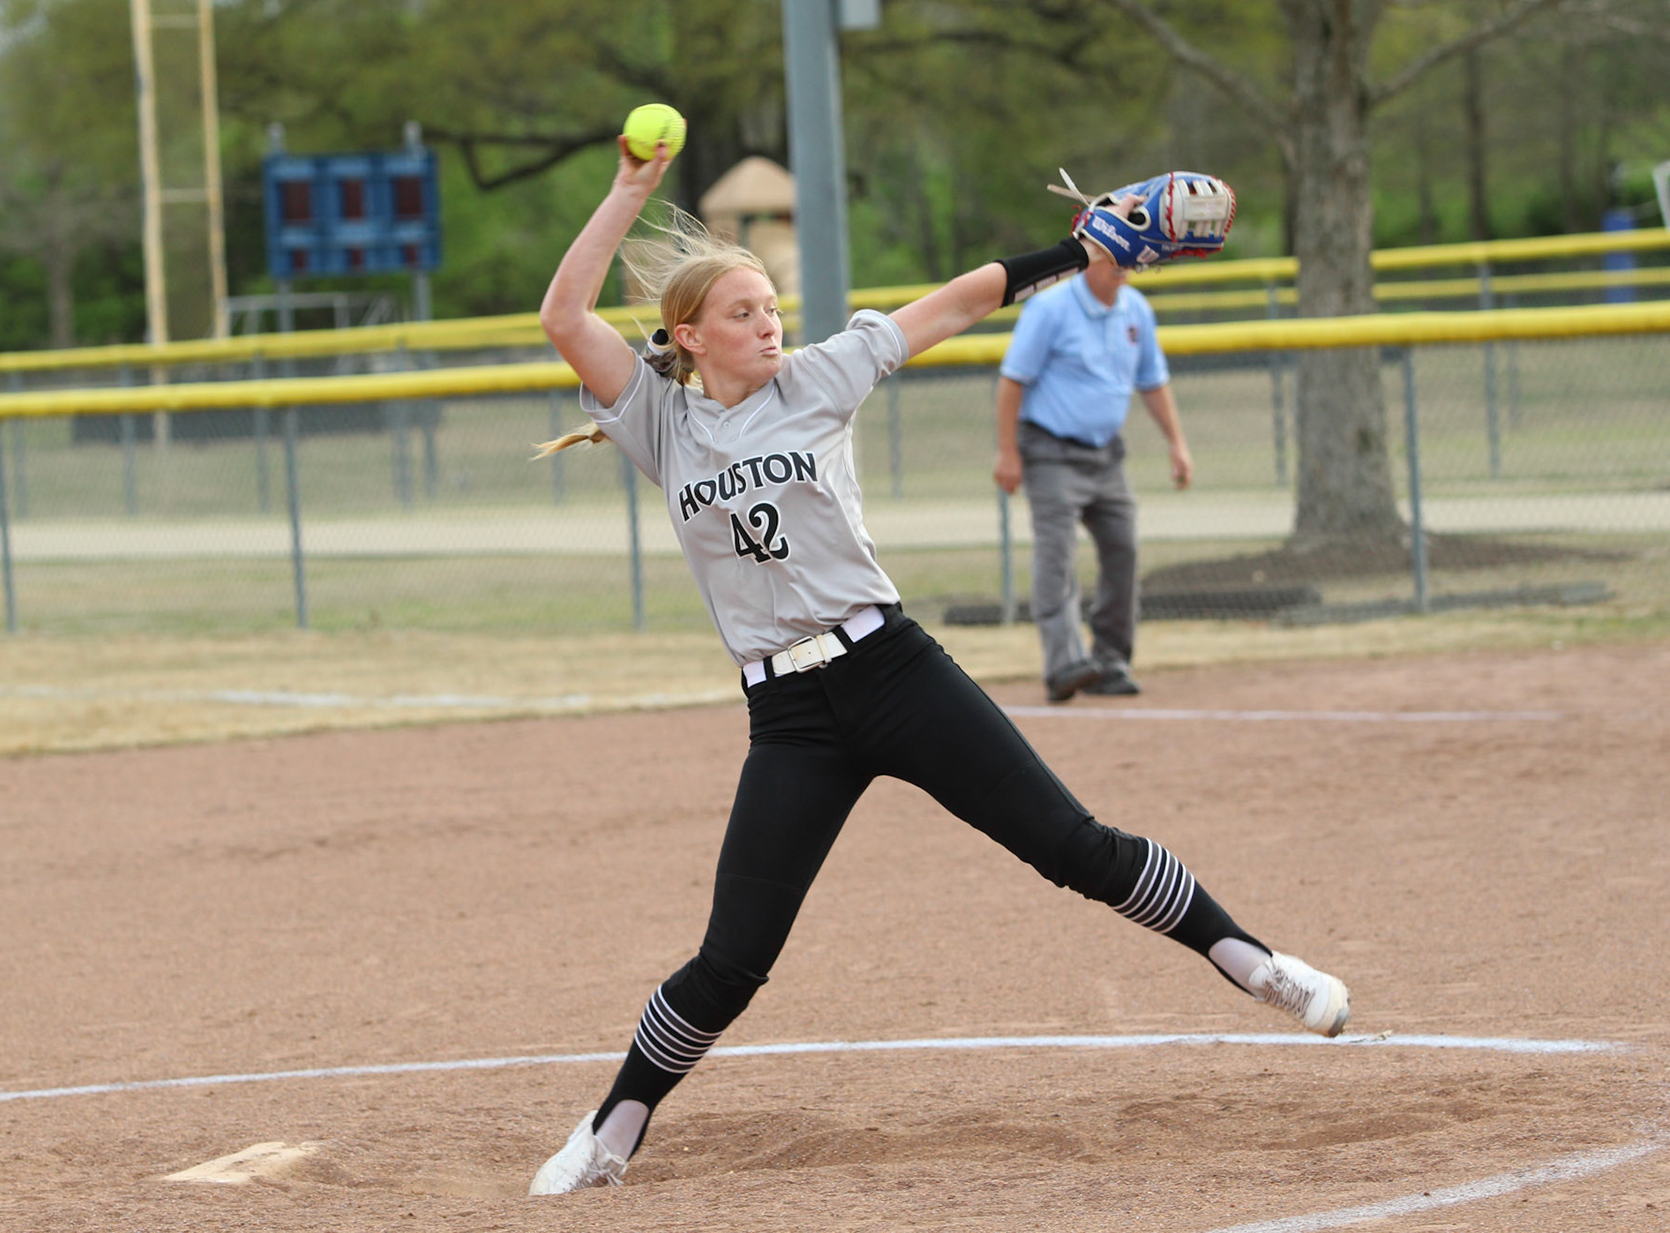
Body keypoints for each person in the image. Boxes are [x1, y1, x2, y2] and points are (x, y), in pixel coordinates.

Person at [525, 135, 1349, 1196]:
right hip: (789, 718)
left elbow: (957, 303)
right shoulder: (661, 422)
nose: (769, 322)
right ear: (688, 336)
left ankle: (1261, 965)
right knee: (734, 956)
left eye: (772, 304)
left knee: (1074, 847)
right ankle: (608, 1134)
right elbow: (564, 316)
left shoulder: (817, 378)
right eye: (742, 312)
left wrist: (1078, 250)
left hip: (893, 670)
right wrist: (629, 189)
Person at [992, 257, 1191, 703]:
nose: (1122, 263)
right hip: (1050, 450)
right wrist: (1007, 452)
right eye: (1110, 253)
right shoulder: (1050, 308)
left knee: (1124, 548)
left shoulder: (1136, 309)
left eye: (1128, 255)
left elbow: (1152, 381)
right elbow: (1012, 380)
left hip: (1107, 454)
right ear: (1088, 257)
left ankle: (1110, 659)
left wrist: (1177, 443)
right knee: (1057, 555)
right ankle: (1063, 663)